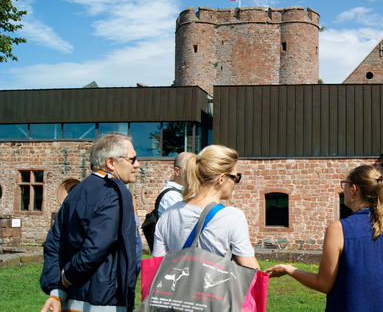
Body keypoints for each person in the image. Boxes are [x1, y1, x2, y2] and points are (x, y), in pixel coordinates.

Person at [264, 165, 383, 312]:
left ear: (354, 189)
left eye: (345, 185)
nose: (344, 190)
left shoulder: (338, 229)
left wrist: (289, 269)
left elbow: (323, 284)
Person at [40, 132, 142, 312]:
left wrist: (56, 290)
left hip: (72, 299)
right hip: (105, 301)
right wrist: (66, 278)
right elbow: (96, 248)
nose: (137, 164)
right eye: (132, 159)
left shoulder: (75, 192)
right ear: (111, 162)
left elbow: (54, 243)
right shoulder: (116, 193)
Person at [152, 145, 260, 270]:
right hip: (215, 288)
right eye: (235, 177)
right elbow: (251, 270)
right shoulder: (232, 217)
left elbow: (157, 265)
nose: (236, 183)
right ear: (221, 178)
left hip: (174, 287)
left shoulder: (169, 214)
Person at [157, 152, 191, 218]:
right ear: (177, 171)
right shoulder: (171, 197)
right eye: (190, 169)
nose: (194, 172)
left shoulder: (183, 191)